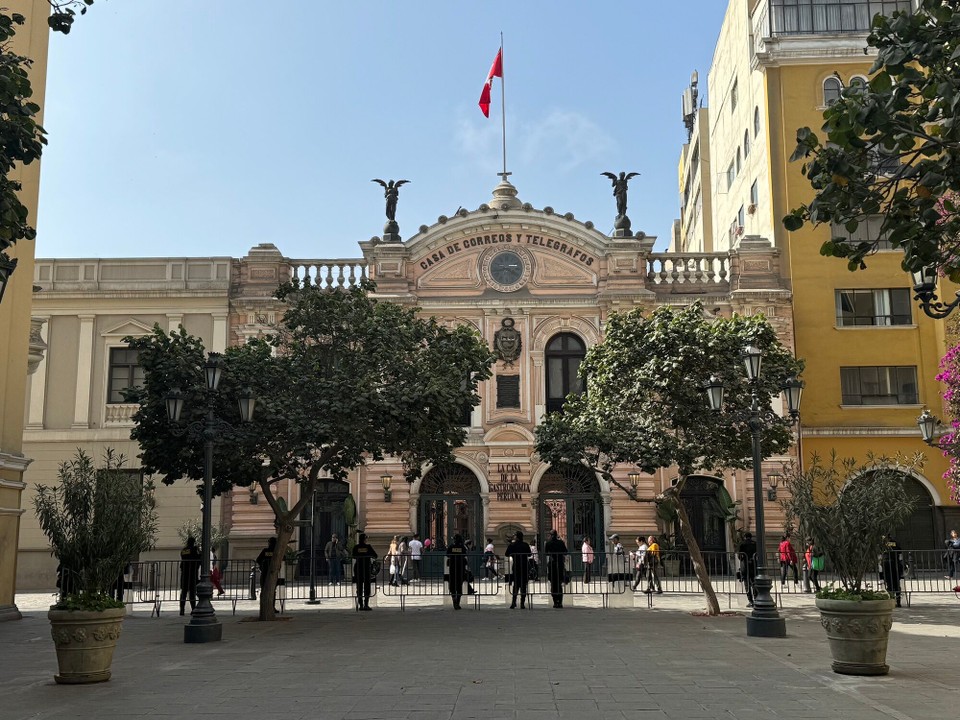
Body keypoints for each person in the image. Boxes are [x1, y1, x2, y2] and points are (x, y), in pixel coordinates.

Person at [505, 530, 532, 609]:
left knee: (516, 585)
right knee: (523, 585)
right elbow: (529, 554)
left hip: (516, 566)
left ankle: (514, 602)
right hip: (524, 566)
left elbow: (506, 554)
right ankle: (522, 603)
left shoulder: (512, 545)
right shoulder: (525, 545)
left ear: (516, 537)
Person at [352, 532, 378, 611]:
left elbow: (353, 556)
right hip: (366, 568)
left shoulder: (356, 547)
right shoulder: (368, 547)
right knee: (367, 586)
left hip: (358, 568)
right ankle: (366, 604)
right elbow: (375, 555)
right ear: (365, 539)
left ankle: (361, 605)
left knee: (359, 587)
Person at [544, 529, 568, 608]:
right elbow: (565, 552)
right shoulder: (561, 542)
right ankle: (560, 602)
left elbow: (546, 553)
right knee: (559, 584)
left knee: (553, 584)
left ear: (550, 535)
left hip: (552, 565)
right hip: (560, 564)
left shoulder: (548, 543)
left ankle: (555, 602)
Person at [256, 537, 280, 612]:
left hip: (265, 573)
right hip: (272, 573)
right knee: (272, 591)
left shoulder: (265, 551)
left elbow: (258, 560)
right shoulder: (277, 551)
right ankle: (271, 607)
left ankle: (264, 607)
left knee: (264, 590)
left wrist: (262, 567)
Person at [179, 536, 201, 616]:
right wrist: (199, 550)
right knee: (192, 592)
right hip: (192, 573)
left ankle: (182, 610)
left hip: (184, 572)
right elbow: (199, 558)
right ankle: (193, 609)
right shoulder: (194, 549)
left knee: (184, 592)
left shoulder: (184, 550)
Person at [446, 534, 468, 609]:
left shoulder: (451, 546)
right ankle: (457, 603)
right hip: (460, 568)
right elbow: (465, 554)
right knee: (459, 585)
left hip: (452, 568)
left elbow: (447, 554)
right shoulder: (462, 547)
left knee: (452, 585)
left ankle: (454, 600)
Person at [882, 534, 904, 607]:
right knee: (896, 583)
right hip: (895, 564)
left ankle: (892, 600)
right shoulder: (895, 543)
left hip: (888, 564)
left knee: (890, 583)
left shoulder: (884, 544)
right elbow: (900, 553)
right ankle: (898, 601)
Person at [738, 532, 758, 607]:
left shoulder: (742, 544)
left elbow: (739, 556)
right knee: (754, 582)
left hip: (745, 566)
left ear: (745, 537)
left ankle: (750, 601)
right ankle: (756, 598)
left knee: (747, 584)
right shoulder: (755, 544)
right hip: (753, 565)